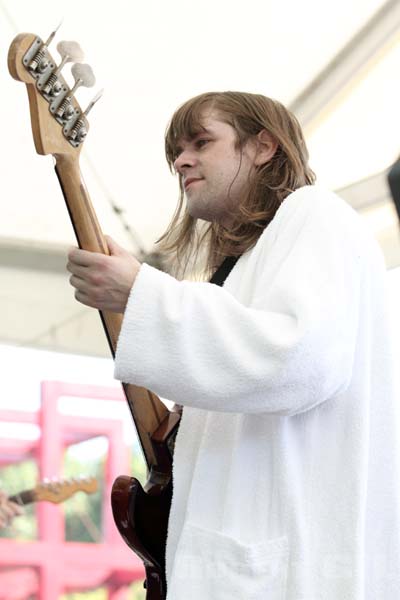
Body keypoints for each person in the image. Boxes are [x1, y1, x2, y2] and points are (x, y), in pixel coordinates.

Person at [67, 91, 400, 599]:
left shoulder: (315, 215)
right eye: (175, 152)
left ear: (263, 145)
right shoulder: (247, 264)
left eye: (201, 141)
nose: (181, 161)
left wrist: (143, 292)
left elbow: (296, 356)